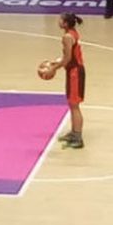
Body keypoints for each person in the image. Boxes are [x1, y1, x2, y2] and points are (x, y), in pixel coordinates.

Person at [47, 13, 86, 149]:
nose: (58, 21)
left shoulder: (67, 37)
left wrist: (54, 69)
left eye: (60, 19)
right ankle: (74, 132)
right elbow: (68, 56)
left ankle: (78, 137)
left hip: (75, 72)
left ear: (65, 23)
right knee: (71, 103)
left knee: (74, 105)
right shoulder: (72, 33)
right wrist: (57, 62)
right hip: (73, 70)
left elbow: (68, 58)